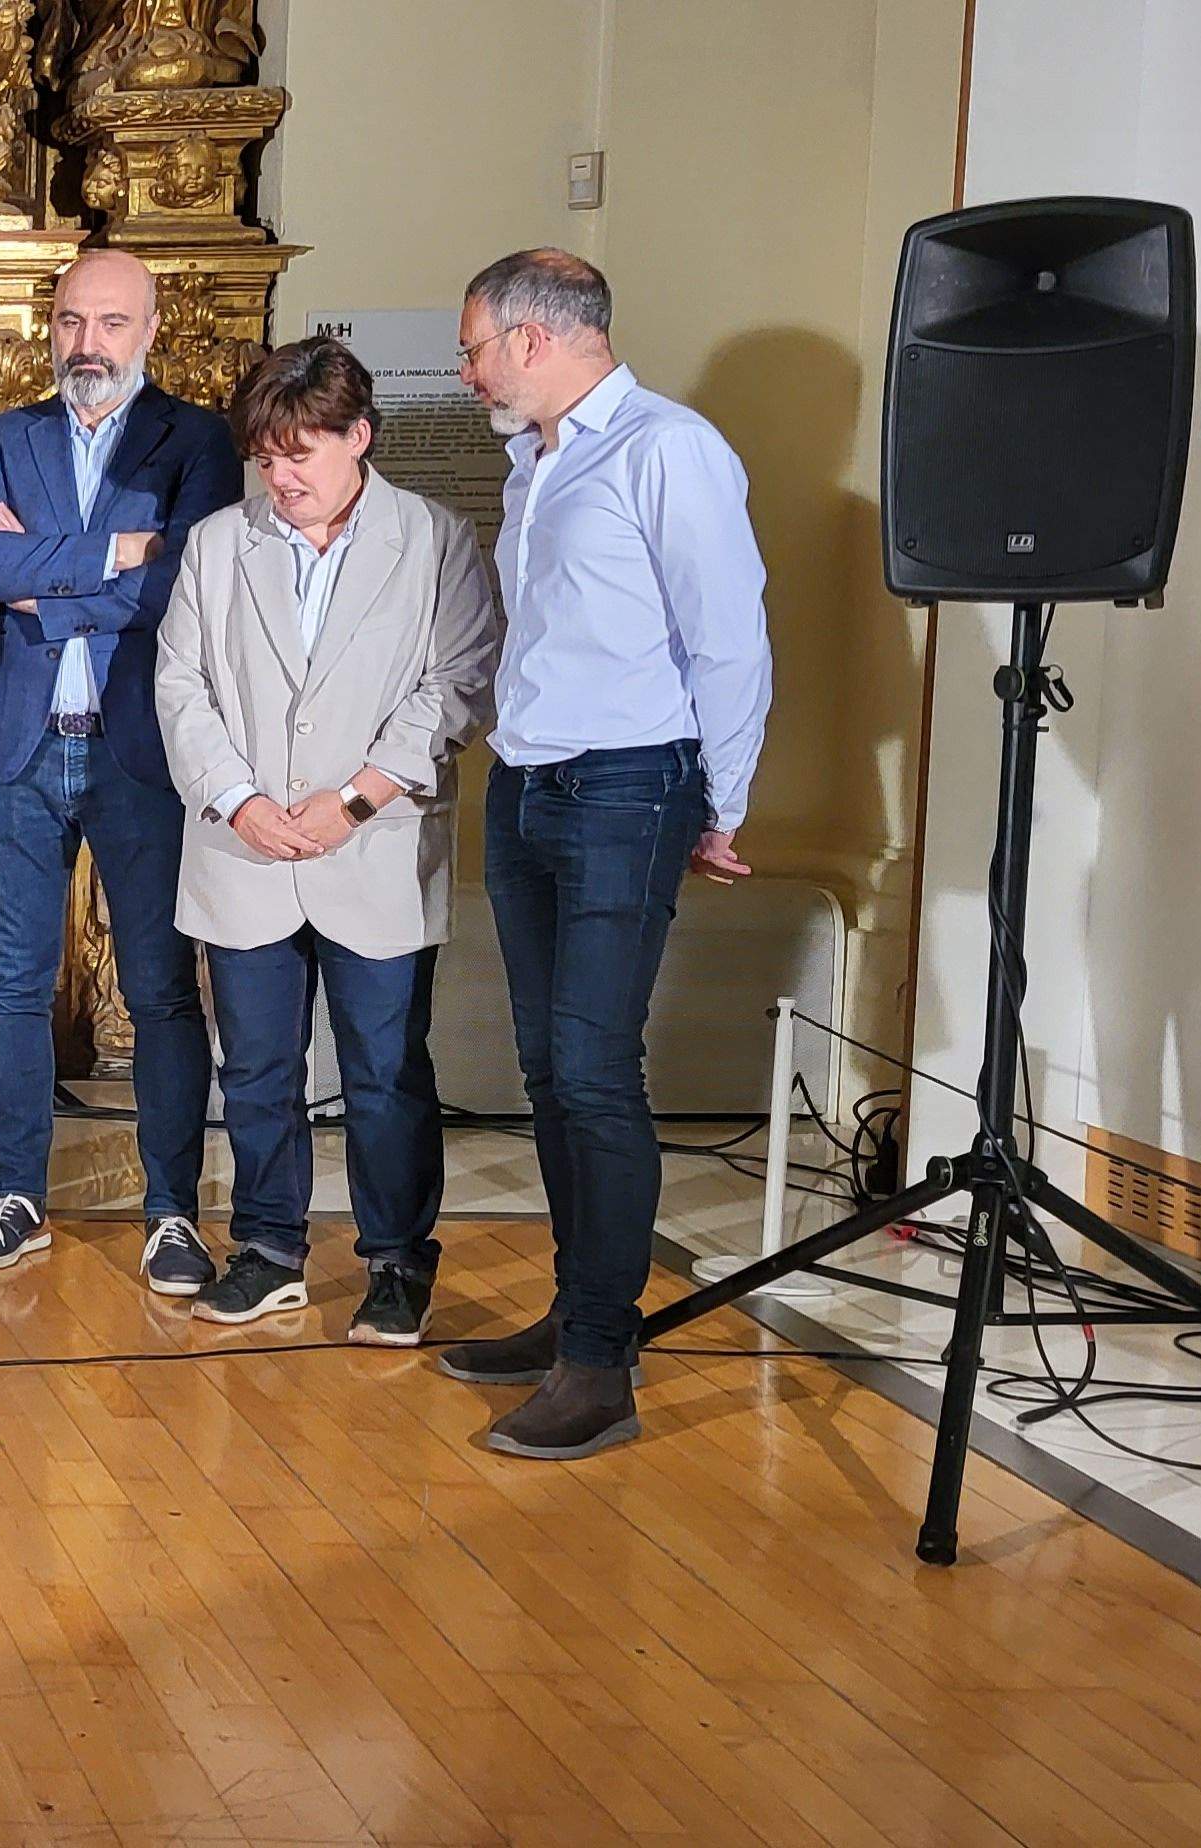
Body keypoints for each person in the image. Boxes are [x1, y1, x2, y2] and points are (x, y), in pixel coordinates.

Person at [435, 249, 772, 1459]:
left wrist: (720, 802)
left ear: (533, 338)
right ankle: (571, 1318)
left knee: (592, 1066)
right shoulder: (536, 456)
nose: (467, 369)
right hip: (528, 784)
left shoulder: (667, 449)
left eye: (474, 345)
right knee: (545, 1066)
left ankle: (598, 1363)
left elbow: (728, 635)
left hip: (631, 783)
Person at [147, 337, 500, 1347]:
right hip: (241, 845)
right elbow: (180, 685)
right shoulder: (220, 543)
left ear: (359, 437)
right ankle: (266, 1250)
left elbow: (456, 682)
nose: (282, 476)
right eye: (265, 456)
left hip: (373, 844)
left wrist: (352, 798)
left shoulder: (431, 538)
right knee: (255, 1069)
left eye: (300, 452)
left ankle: (395, 1262)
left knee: (385, 1071)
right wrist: (237, 799)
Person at [0, 249, 234, 1291]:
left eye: (111, 324)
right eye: (70, 322)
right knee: (15, 984)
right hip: (18, 745)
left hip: (139, 748)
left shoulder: (196, 439)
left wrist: (47, 572)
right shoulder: (3, 436)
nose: (88, 345)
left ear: (151, 329)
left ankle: (171, 1214)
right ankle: (15, 1197)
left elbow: (187, 582)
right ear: (47, 326)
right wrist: (117, 549)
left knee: (158, 989)